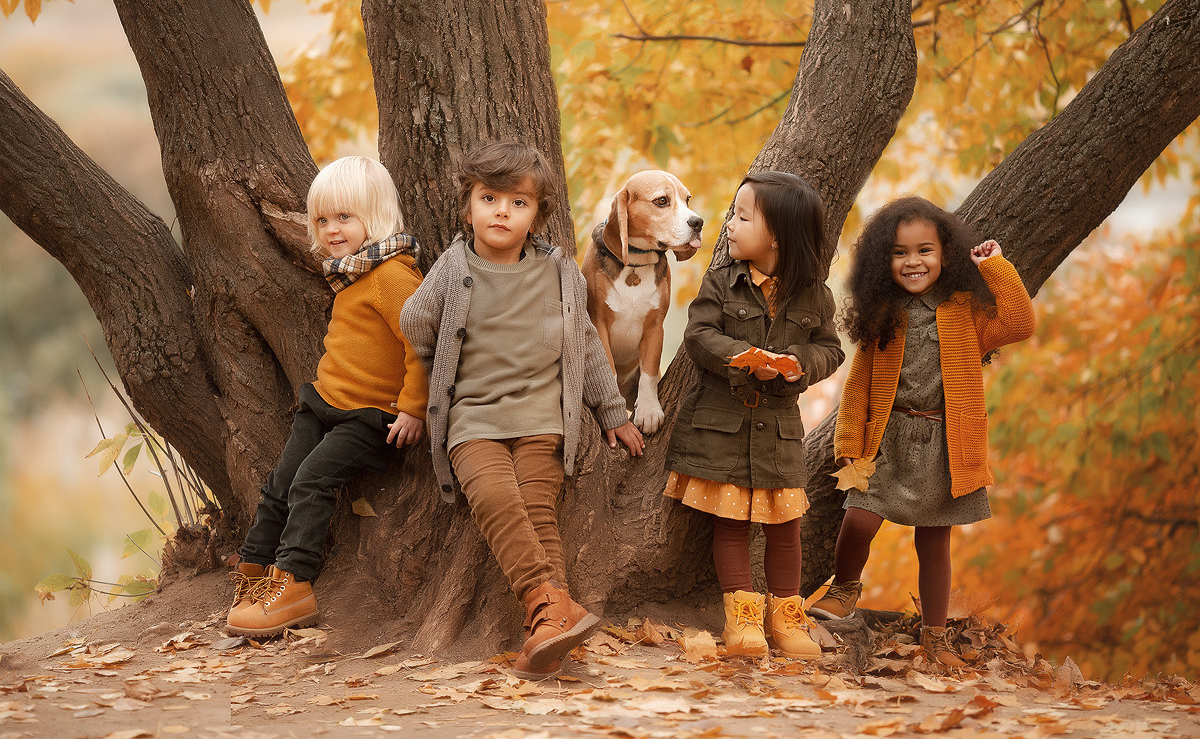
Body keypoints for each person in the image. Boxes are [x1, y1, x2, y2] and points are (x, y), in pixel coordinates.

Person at [399, 140, 645, 680]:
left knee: (537, 510)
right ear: (469, 208)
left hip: (541, 419)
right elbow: (415, 321)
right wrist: (434, 343)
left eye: (518, 202)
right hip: (473, 420)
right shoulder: (453, 266)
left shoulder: (556, 271)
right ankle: (549, 605)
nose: (502, 211)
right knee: (493, 497)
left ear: (538, 215)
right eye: (489, 198)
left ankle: (544, 629)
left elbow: (583, 339)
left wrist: (612, 412)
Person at [810, 196, 1035, 667]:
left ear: (945, 255)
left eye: (924, 250)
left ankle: (934, 640)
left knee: (934, 542)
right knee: (859, 518)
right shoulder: (882, 315)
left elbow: (1019, 322)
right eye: (899, 253)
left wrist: (995, 267)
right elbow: (859, 387)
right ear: (882, 261)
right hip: (886, 441)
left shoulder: (964, 313)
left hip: (944, 445)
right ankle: (845, 588)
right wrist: (849, 445)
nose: (913, 262)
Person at [225, 156, 428, 637]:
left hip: (371, 417)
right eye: (322, 220)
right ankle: (255, 572)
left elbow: (423, 342)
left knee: (311, 481)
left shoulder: (393, 275)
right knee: (280, 481)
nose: (331, 230)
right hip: (325, 402)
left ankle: (294, 585)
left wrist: (415, 409)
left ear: (374, 217)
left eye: (344, 217)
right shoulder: (351, 273)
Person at [663, 171, 844, 659]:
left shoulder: (814, 296)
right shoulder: (721, 283)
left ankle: (787, 618)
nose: (728, 226)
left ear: (778, 237)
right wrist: (743, 355)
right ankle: (741, 620)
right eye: (731, 215)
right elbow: (698, 336)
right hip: (722, 430)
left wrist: (797, 365)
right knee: (731, 524)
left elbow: (830, 349)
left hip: (778, 437)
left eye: (742, 218)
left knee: (786, 529)